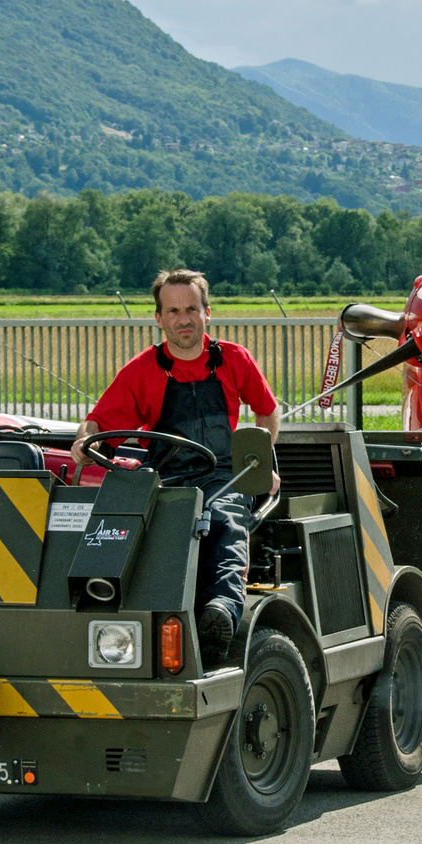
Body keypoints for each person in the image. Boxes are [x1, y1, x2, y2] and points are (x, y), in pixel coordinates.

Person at [70, 269, 281, 666]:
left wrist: (259, 462)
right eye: (173, 311)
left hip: (224, 476)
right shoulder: (141, 370)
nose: (183, 319)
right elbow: (99, 424)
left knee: (222, 521)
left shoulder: (234, 360)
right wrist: (85, 438)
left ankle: (220, 613)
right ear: (159, 318)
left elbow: (268, 414)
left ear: (207, 313)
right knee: (139, 528)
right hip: (165, 479)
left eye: (191, 309)